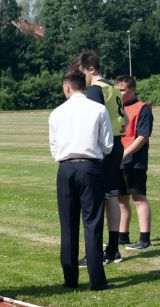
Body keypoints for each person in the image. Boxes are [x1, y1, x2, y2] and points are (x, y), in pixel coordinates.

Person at [49, 69, 114, 290]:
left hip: (65, 168)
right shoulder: (98, 109)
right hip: (91, 167)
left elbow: (54, 147)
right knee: (92, 223)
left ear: (67, 87)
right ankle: (97, 280)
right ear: (83, 86)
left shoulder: (56, 113)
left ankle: (70, 279)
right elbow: (107, 144)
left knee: (68, 224)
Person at [72, 50, 127, 266]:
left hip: (103, 149)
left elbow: (92, 121)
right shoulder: (114, 88)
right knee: (111, 196)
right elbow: (126, 118)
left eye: (82, 72)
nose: (81, 78)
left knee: (93, 202)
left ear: (91, 69)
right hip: (118, 144)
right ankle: (113, 249)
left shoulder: (95, 90)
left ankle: (94, 254)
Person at [114, 75, 154, 250]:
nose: (119, 93)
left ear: (132, 89)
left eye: (122, 90)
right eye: (117, 90)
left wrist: (125, 153)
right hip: (118, 161)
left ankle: (145, 239)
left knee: (138, 197)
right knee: (121, 200)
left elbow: (143, 137)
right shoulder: (116, 108)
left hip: (135, 162)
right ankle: (123, 237)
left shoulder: (142, 108)